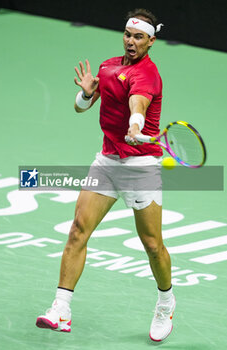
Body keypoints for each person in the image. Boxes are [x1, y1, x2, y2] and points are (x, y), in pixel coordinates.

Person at [36, 8, 176, 342]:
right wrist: (86, 93)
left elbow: (138, 104)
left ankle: (166, 301)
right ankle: (61, 309)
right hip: (108, 160)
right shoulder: (108, 66)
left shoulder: (148, 75)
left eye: (139, 37)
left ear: (151, 41)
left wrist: (135, 124)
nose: (131, 41)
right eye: (128, 34)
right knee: (77, 230)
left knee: (152, 245)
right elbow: (81, 107)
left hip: (141, 166)